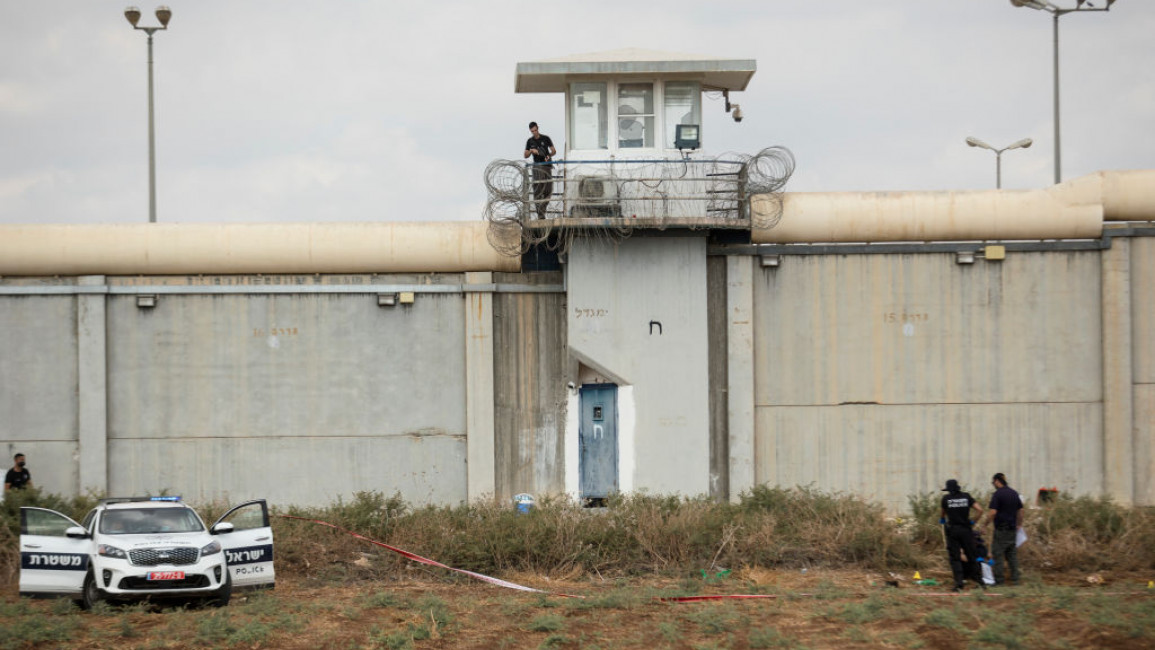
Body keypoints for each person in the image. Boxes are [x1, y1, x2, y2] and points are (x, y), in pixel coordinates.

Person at [940, 478, 984, 592]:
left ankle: (959, 584)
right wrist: (973, 522)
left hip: (953, 531)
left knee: (955, 557)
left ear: (949, 490)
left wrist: (942, 521)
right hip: (966, 530)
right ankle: (980, 582)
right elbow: (980, 510)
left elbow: (942, 515)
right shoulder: (966, 496)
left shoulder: (946, 499)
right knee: (972, 556)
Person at [983, 472, 1023, 585]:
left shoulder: (998, 494)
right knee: (1012, 555)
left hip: (1001, 530)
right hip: (1012, 530)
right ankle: (1016, 580)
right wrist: (1019, 524)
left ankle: (999, 582)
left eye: (993, 482)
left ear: (997, 481)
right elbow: (1021, 511)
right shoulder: (1014, 493)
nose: (993, 484)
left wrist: (984, 525)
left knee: (998, 554)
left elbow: (992, 513)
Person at [523, 122, 556, 219]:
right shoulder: (530, 141)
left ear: (538, 128)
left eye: (535, 130)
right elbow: (525, 155)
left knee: (548, 191)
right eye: (532, 131)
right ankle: (540, 215)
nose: (534, 132)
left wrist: (548, 156)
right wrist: (531, 151)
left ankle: (542, 209)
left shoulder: (546, 138)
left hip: (547, 166)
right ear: (530, 131)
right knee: (537, 191)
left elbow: (554, 151)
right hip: (537, 167)